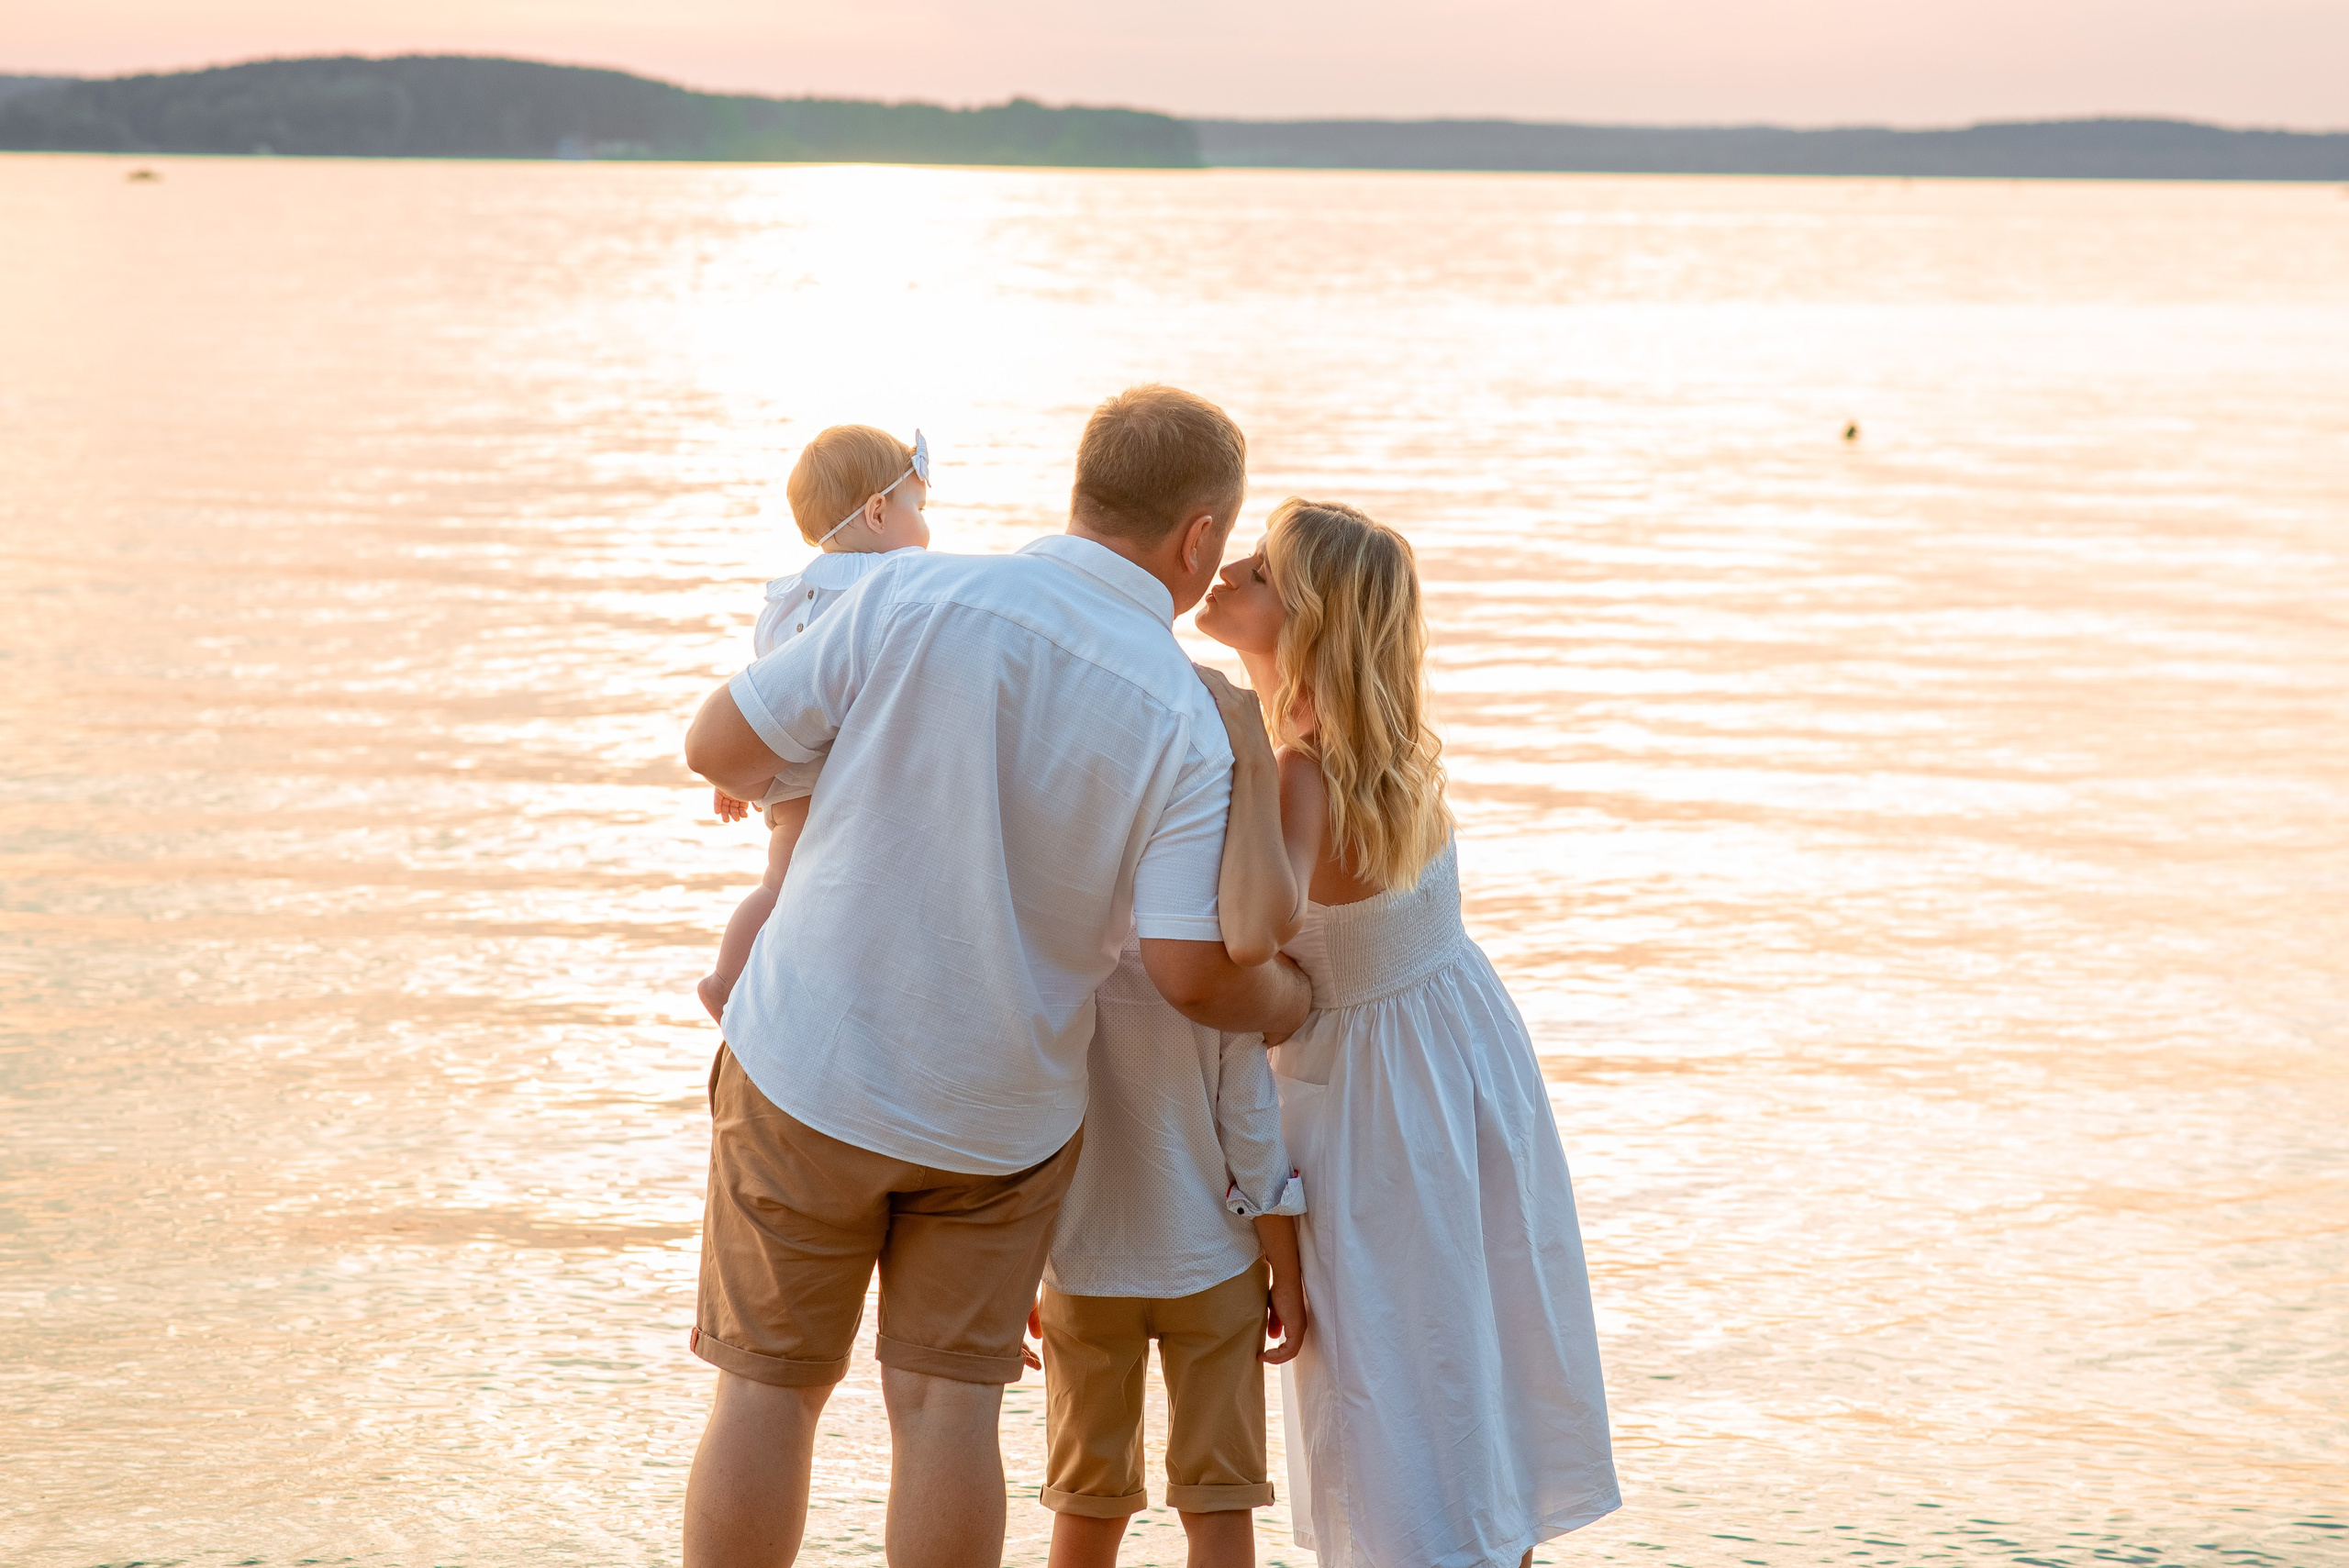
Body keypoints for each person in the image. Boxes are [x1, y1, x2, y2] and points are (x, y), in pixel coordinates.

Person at [675, 385, 1315, 1568]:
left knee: (767, 1394)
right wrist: (1295, 1000)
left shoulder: (914, 591)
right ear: (1196, 537)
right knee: (946, 1411)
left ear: (1083, 492)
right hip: (997, 1120)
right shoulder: (1183, 712)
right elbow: (1189, 971)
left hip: (811, 1061)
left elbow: (717, 747)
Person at [1195, 498, 1622, 1568]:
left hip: (1373, 1110)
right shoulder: (1399, 763)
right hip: (1466, 1072)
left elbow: (1252, 934)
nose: (1226, 572)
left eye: (1257, 570)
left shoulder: (1296, 774)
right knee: (1471, 1364)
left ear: (1311, 624)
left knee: (1393, 1394)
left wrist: (1238, 745)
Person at [1028, 756, 1312, 1568]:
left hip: (1082, 1268)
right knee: (1219, 1504)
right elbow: (1252, 1130)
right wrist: (1284, 1273)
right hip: (1212, 1267)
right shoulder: (1212, 965)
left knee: (1086, 1504)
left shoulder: (1056, 965)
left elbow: (1029, 1121)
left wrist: (1019, 1265)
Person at [697, 423, 932, 1024]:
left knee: (786, 883)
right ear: (878, 512)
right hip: (813, 780)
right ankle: (727, 982)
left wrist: (737, 775)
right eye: (919, 507)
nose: (926, 528)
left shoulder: (792, 597)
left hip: (782, 769)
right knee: (784, 887)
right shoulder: (886, 591)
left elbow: (767, 689)